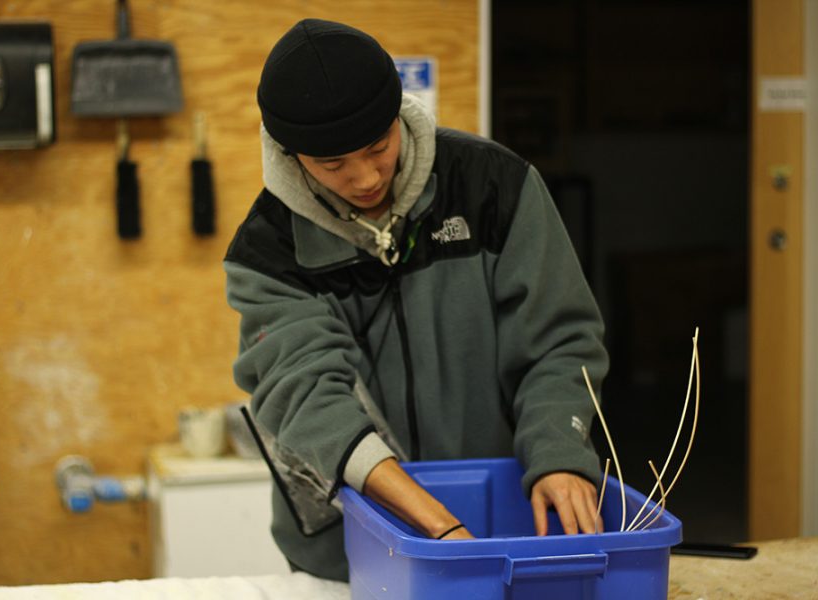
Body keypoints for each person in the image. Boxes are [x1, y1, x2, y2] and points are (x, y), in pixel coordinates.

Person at [224, 18, 609, 581]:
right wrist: (435, 526)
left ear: (400, 114)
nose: (363, 178)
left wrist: (559, 453)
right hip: (349, 550)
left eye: (378, 146)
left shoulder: (495, 187)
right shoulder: (268, 249)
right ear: (290, 155)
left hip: (497, 523)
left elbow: (559, 340)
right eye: (332, 165)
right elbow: (305, 394)